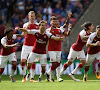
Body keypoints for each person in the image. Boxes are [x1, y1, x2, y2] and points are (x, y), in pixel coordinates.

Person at [46, 15, 71, 82]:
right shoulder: (48, 30)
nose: (55, 23)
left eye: (56, 22)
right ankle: (51, 77)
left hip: (58, 49)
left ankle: (57, 76)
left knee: (58, 63)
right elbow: (52, 37)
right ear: (50, 23)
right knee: (54, 63)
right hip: (51, 49)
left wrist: (68, 18)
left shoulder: (59, 29)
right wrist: (60, 38)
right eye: (53, 22)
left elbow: (66, 25)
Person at [21, 11, 39, 82]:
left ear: (35, 17)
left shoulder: (37, 25)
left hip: (34, 46)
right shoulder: (25, 25)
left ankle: (32, 78)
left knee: (33, 62)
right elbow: (24, 35)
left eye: (33, 16)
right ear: (28, 17)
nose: (32, 17)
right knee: (23, 61)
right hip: (26, 45)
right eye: (31, 16)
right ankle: (24, 76)